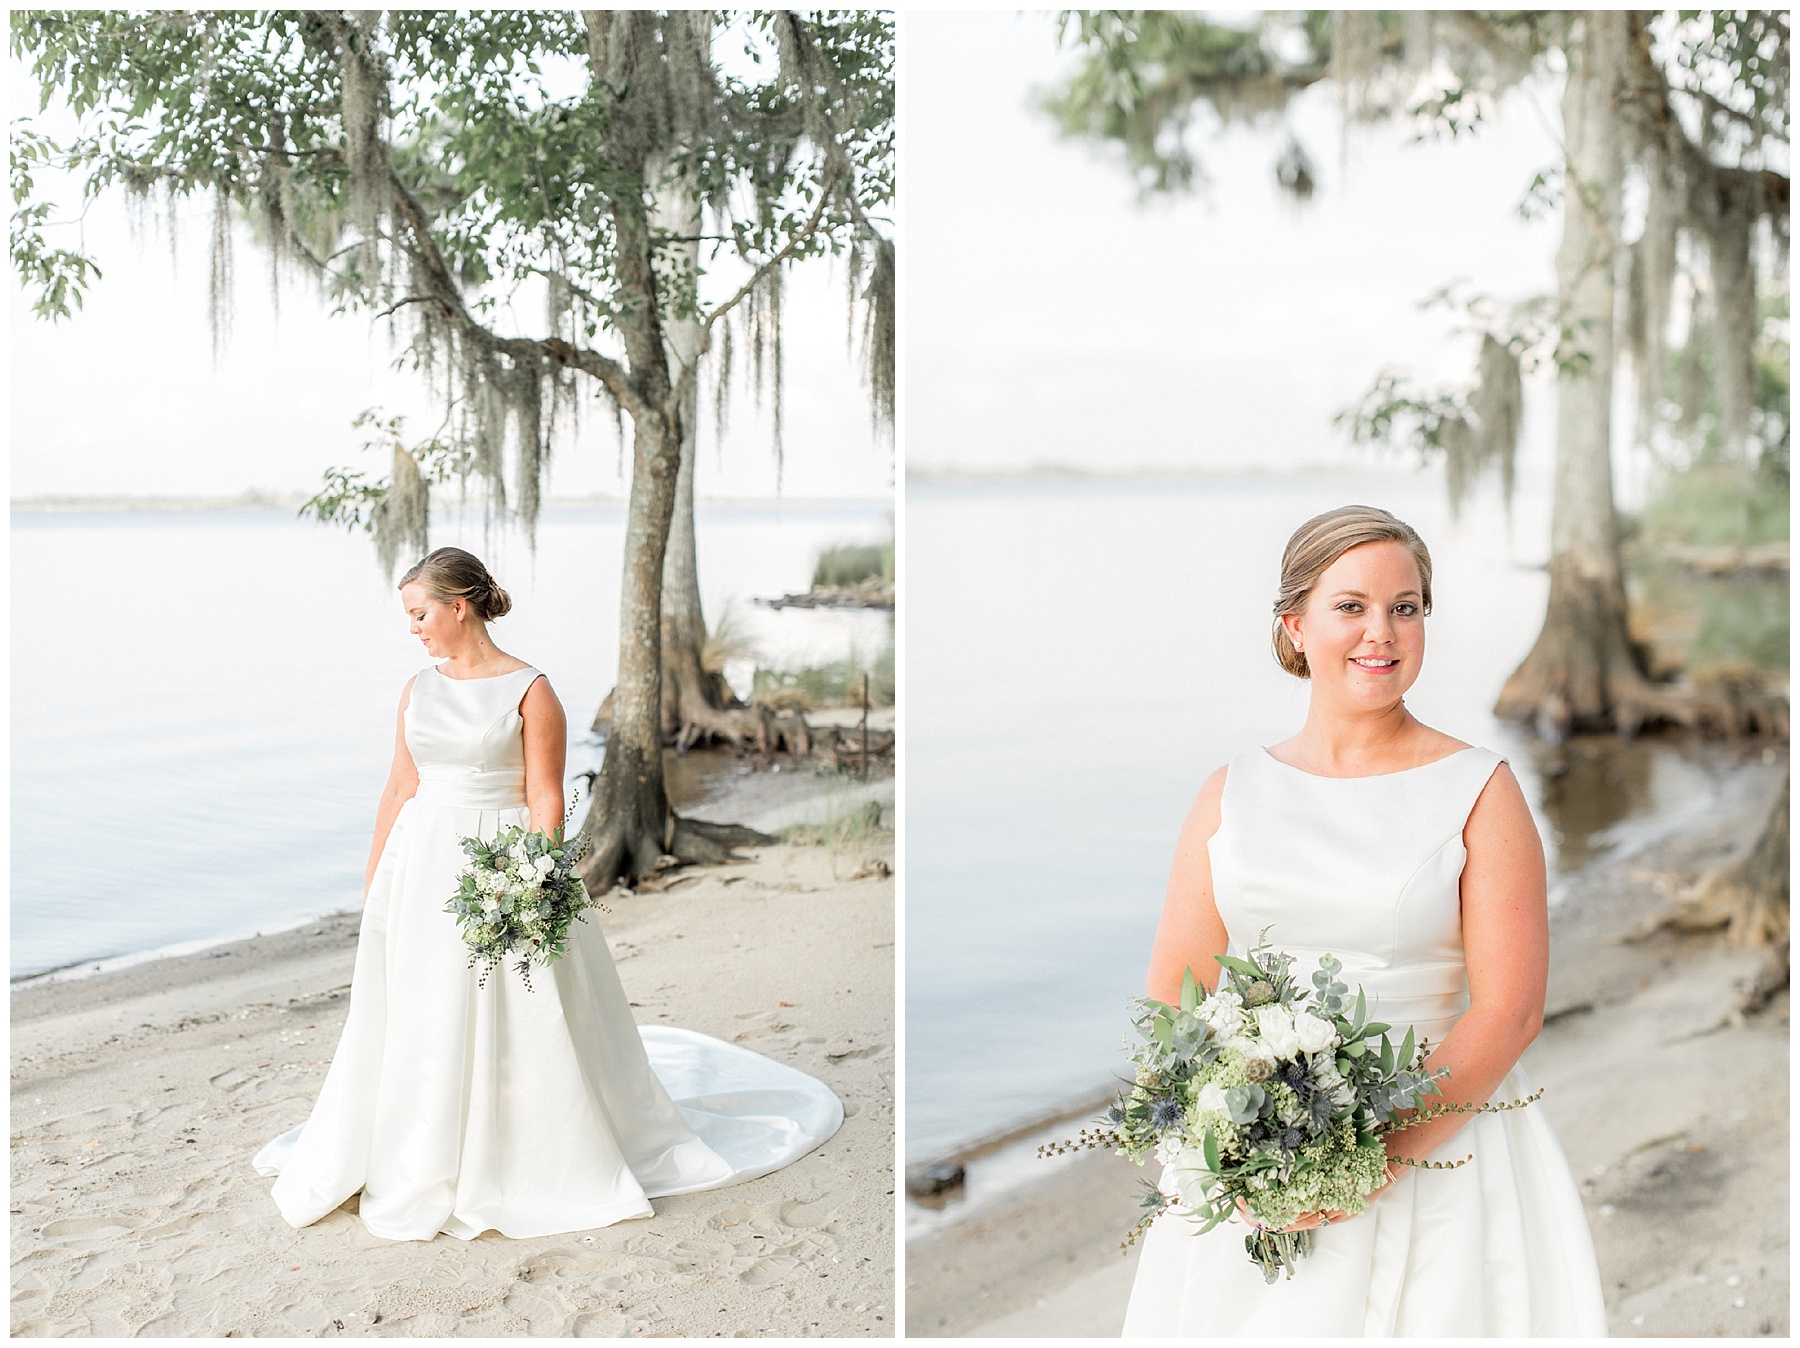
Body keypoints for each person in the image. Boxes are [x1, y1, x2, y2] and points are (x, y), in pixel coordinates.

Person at [253, 547, 841, 1241]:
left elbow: (542, 794)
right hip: (420, 865)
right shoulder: (418, 690)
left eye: (420, 615)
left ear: (458, 606)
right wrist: (376, 876)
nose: (414, 629)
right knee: (421, 1001)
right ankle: (417, 1139)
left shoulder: (531, 689)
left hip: (497, 860)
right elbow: (399, 787)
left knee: (517, 1007)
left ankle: (516, 1141)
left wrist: (531, 879)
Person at [1121, 506, 1607, 1337]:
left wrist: (1364, 1164)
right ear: (1294, 626)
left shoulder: (1480, 791)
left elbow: (1511, 1011)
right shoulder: (1228, 793)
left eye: (1406, 607)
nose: (1381, 632)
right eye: (1351, 606)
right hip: (1256, 1155)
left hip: (1441, 1147)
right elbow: (1178, 993)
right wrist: (1227, 1148)